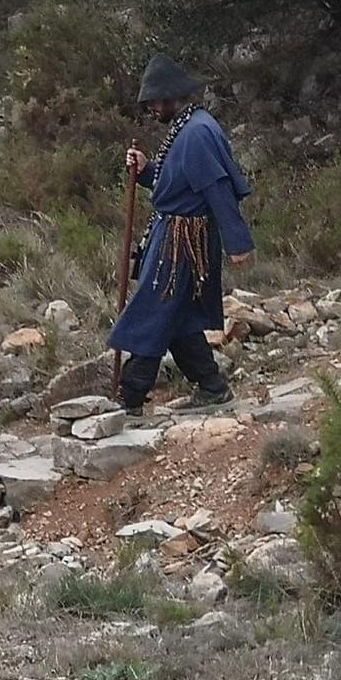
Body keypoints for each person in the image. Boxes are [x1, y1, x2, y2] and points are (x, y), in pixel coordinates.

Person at [108, 55, 254, 415]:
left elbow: (216, 188)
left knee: (154, 312)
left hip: (183, 242)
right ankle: (212, 386)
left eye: (156, 101)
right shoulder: (188, 127)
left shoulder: (198, 132)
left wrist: (238, 242)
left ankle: (130, 396)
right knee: (178, 316)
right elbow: (176, 182)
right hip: (173, 235)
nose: (153, 109)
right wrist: (146, 170)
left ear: (172, 96)